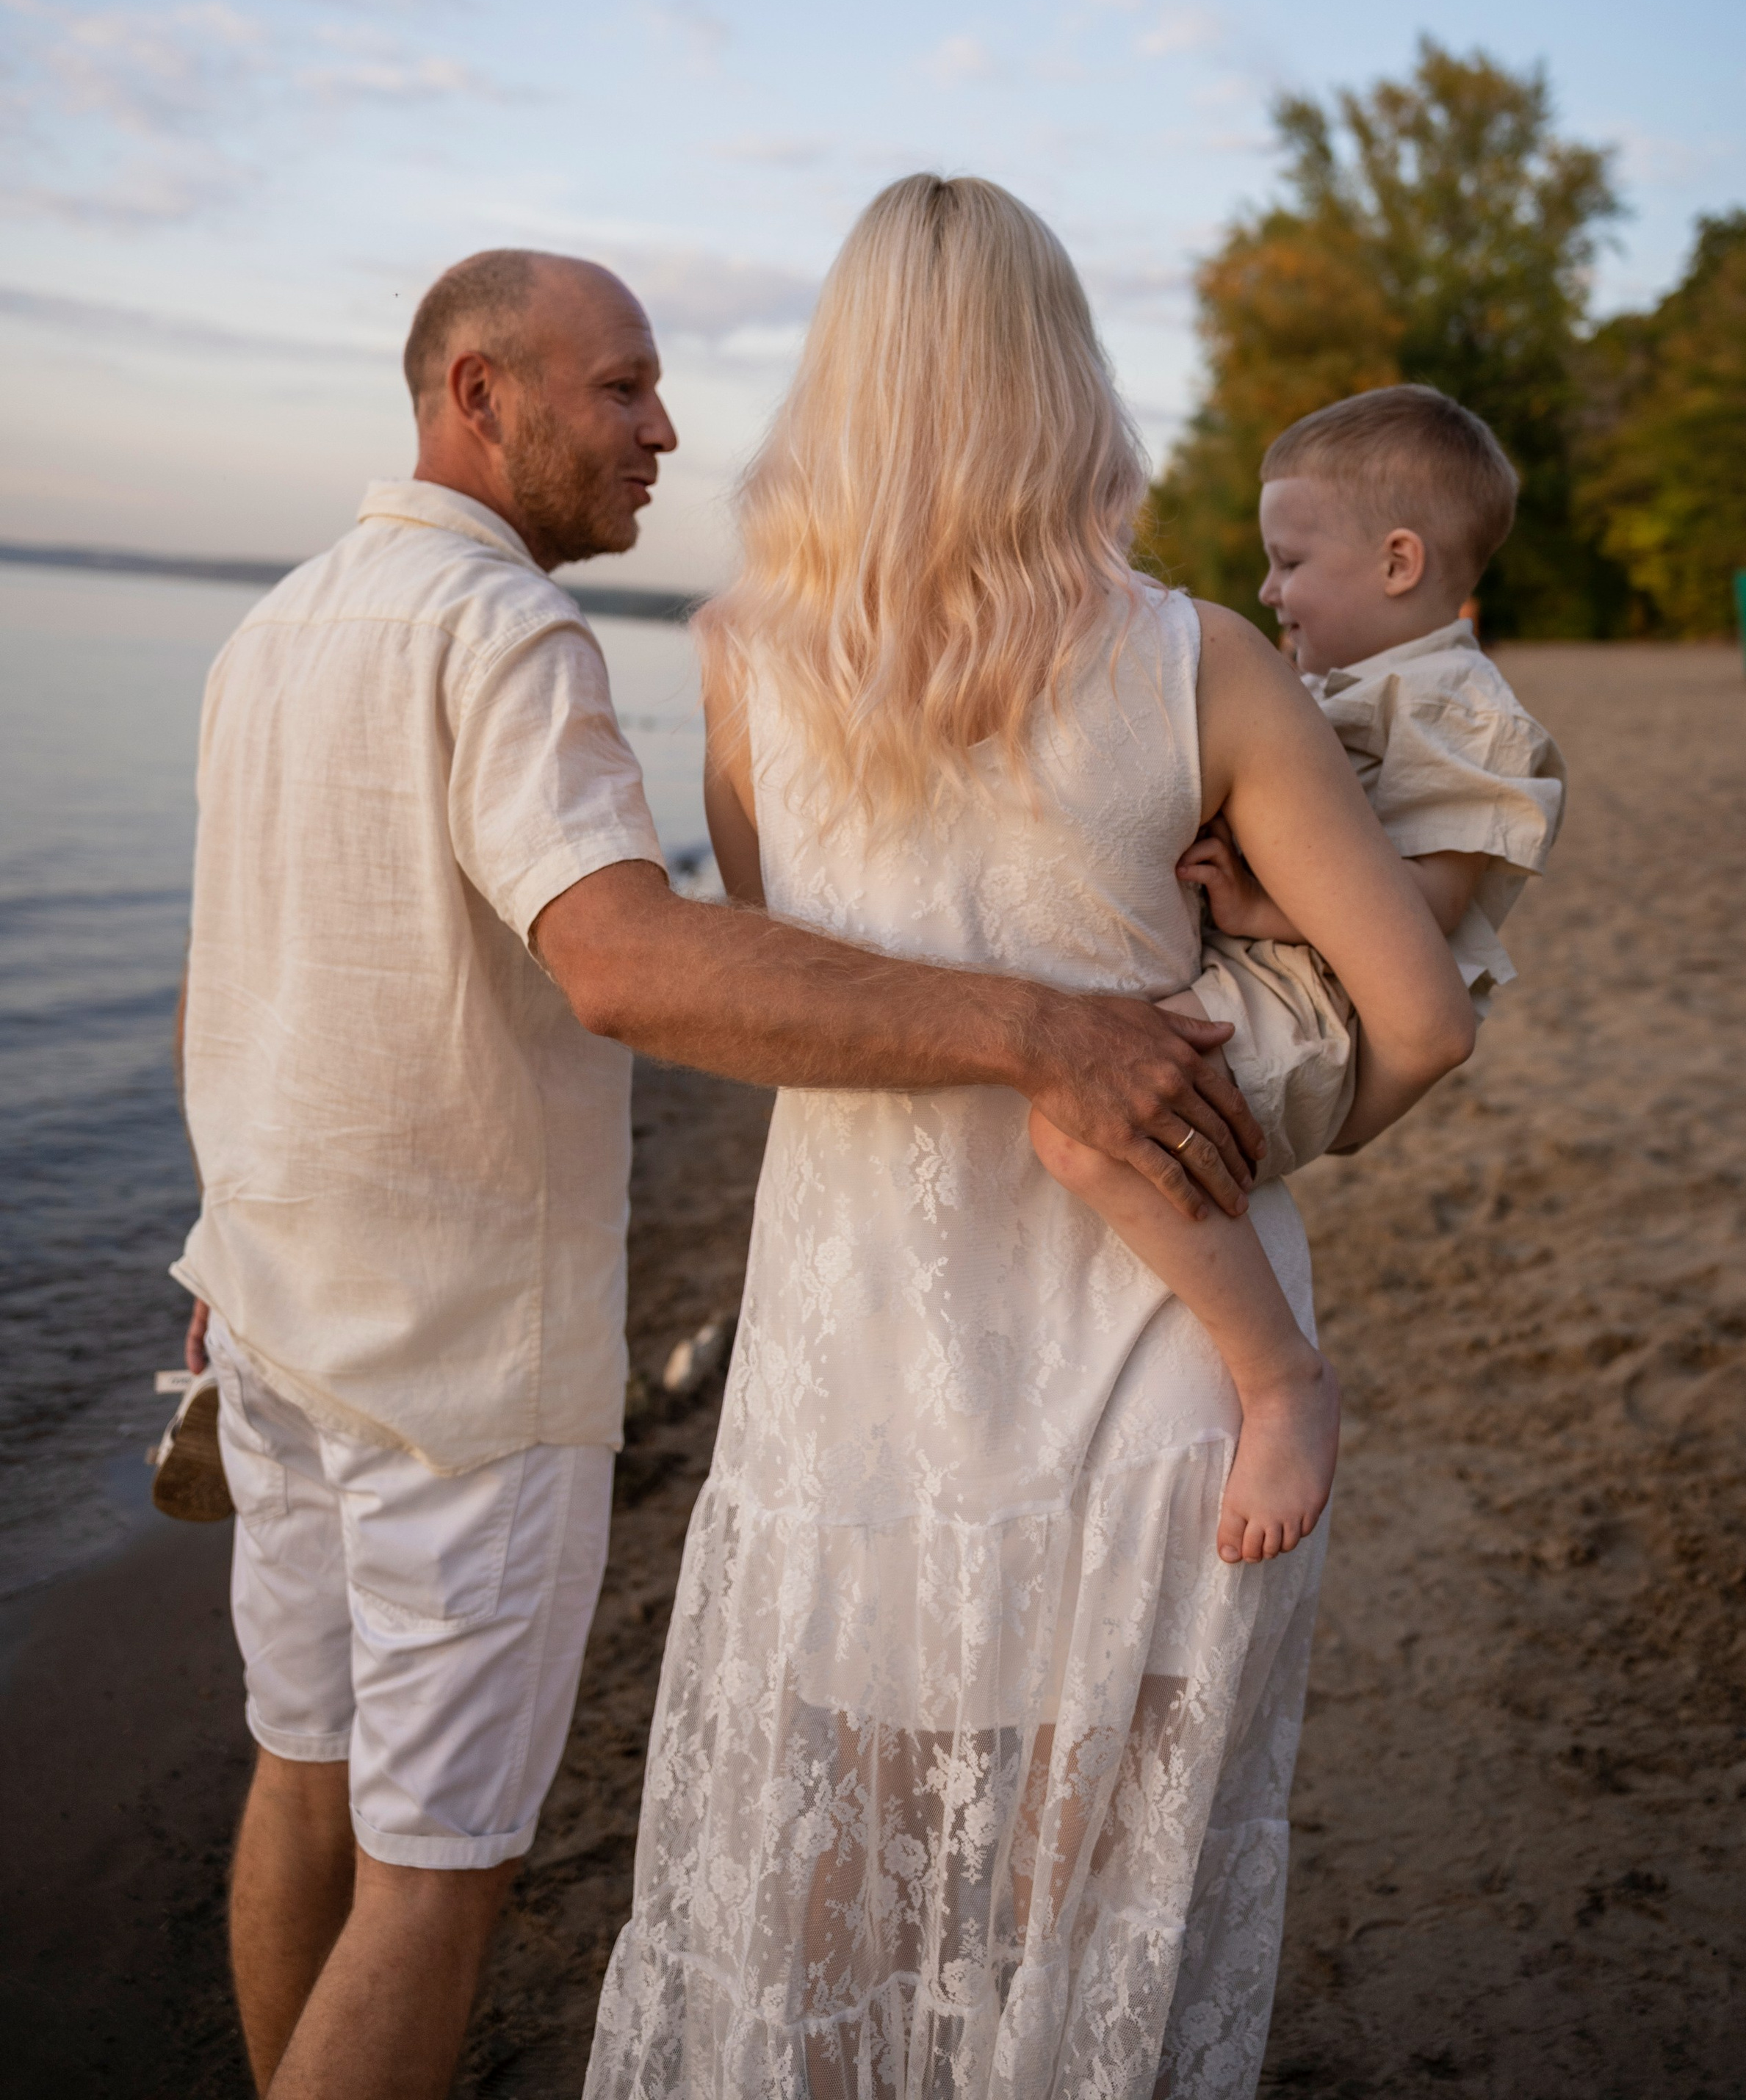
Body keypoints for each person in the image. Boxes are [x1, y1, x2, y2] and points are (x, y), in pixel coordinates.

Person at [172, 247, 1268, 2100]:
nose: (663, 428)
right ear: (476, 395)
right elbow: (623, 959)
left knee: (306, 1773)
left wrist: (211, 1245)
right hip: (453, 1366)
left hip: (266, 1312)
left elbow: (243, 973)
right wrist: (1033, 1024)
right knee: (434, 1881)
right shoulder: (503, 630)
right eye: (619, 388)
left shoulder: (275, 625)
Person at [584, 178, 1475, 2100]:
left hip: (859, 1392)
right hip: (1169, 1395)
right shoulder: (1204, 657)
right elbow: (1419, 1017)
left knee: (853, 1944)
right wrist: (1243, 1151)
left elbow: (797, 998)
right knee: (1081, 1961)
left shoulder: (743, 652)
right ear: (1067, 379)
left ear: (847, 382)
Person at [1028, 383, 1566, 1569]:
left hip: (1320, 1015)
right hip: (1272, 984)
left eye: (1288, 560)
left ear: (1397, 561)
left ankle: (1283, 1381)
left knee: (1086, 1126)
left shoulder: (1470, 721)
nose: (1268, 591)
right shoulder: (1336, 690)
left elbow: (1417, 920)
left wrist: (1260, 896)